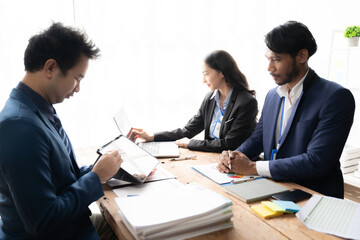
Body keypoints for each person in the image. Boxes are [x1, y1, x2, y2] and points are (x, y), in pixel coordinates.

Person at [0, 23, 122, 239]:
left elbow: (62, 178)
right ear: (50, 68)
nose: (77, 88)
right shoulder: (19, 126)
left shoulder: (40, 108)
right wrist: (95, 177)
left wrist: (105, 170)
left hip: (73, 225)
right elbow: (44, 221)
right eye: (77, 78)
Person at [217, 21, 355, 199]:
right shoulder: (272, 95)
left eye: (276, 59)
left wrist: (252, 167)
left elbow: (317, 161)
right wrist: (233, 156)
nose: (269, 68)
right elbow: (258, 138)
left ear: (302, 56)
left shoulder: (336, 97)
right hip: (275, 190)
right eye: (268, 59)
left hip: (314, 198)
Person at [130, 50, 258, 153]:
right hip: (212, 159)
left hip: (234, 164)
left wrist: (190, 143)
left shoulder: (246, 102)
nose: (203, 80)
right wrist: (152, 136)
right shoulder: (210, 98)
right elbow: (187, 131)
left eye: (206, 74)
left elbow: (229, 144)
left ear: (221, 72)